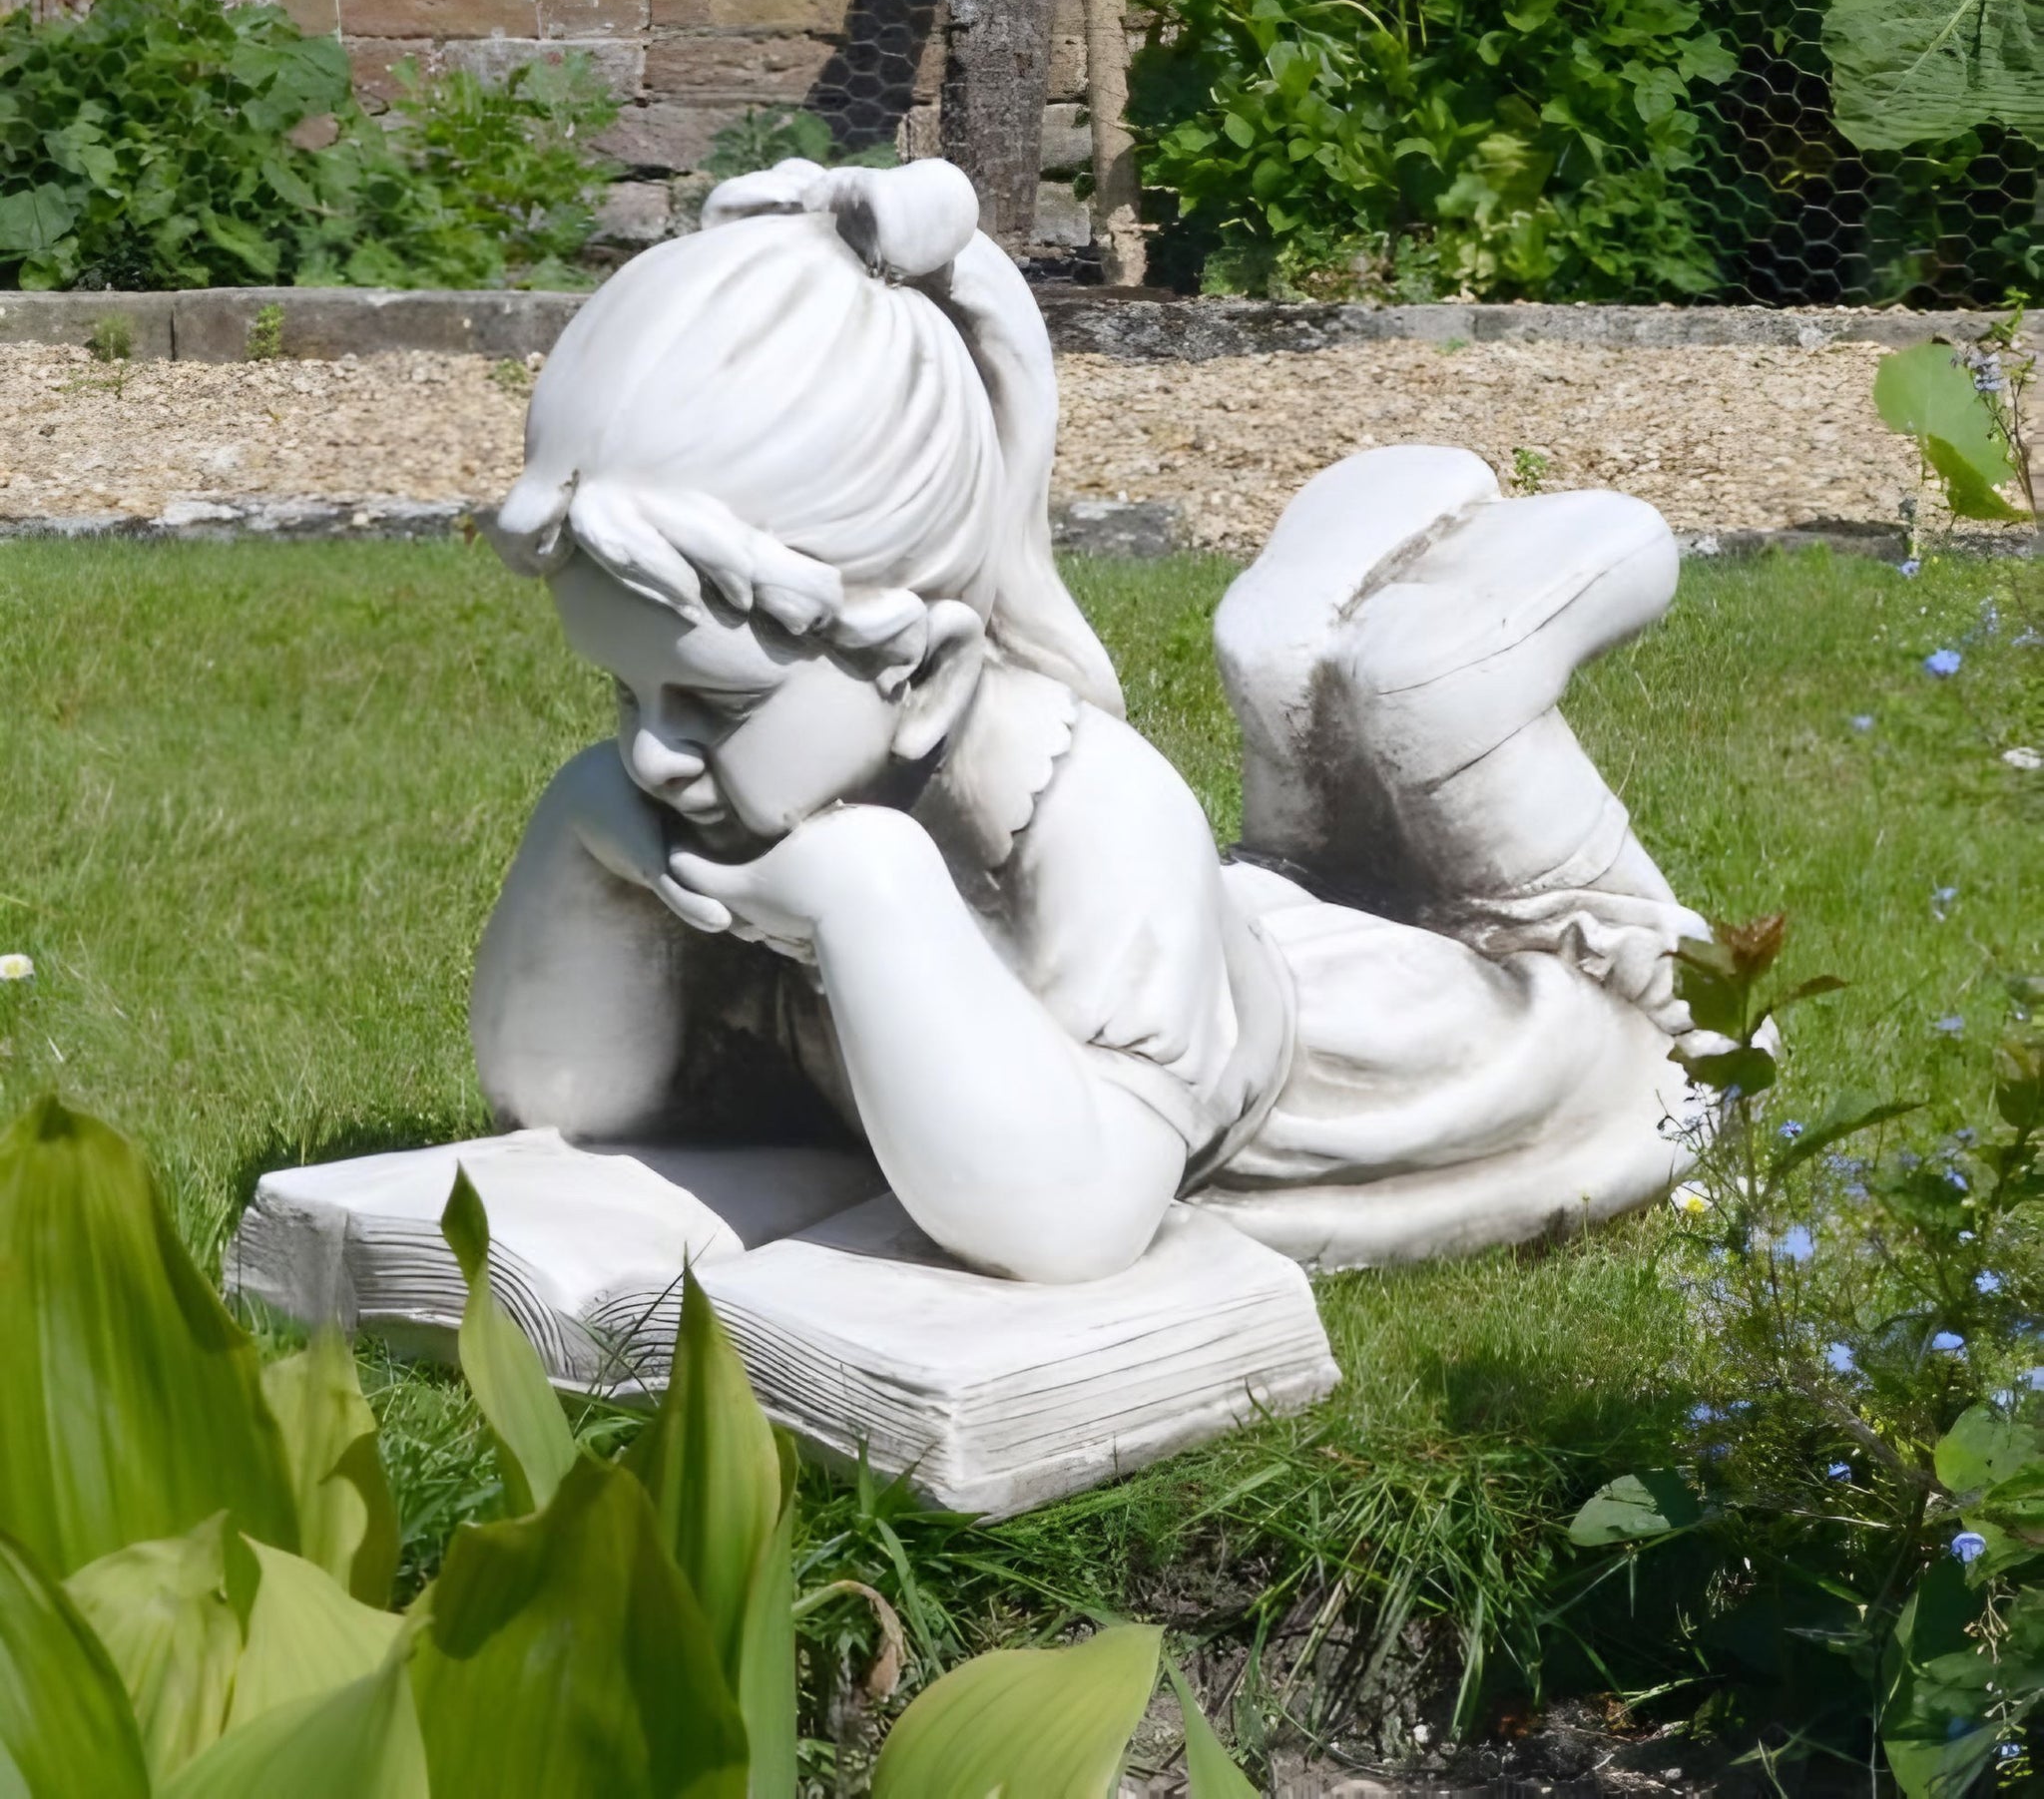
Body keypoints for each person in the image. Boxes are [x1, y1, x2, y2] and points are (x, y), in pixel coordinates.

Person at [472, 157, 1704, 1285]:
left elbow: (1065, 1223)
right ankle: (1292, 661)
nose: (650, 752)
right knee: (1297, 852)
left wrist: (869, 897)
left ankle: (1454, 663)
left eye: (712, 704)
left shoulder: (1091, 811)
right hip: (1249, 949)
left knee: (1625, 1000)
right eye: (621, 694)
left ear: (931, 678)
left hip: (1419, 1059)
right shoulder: (746, 789)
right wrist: (582, 833)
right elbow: (573, 1096)